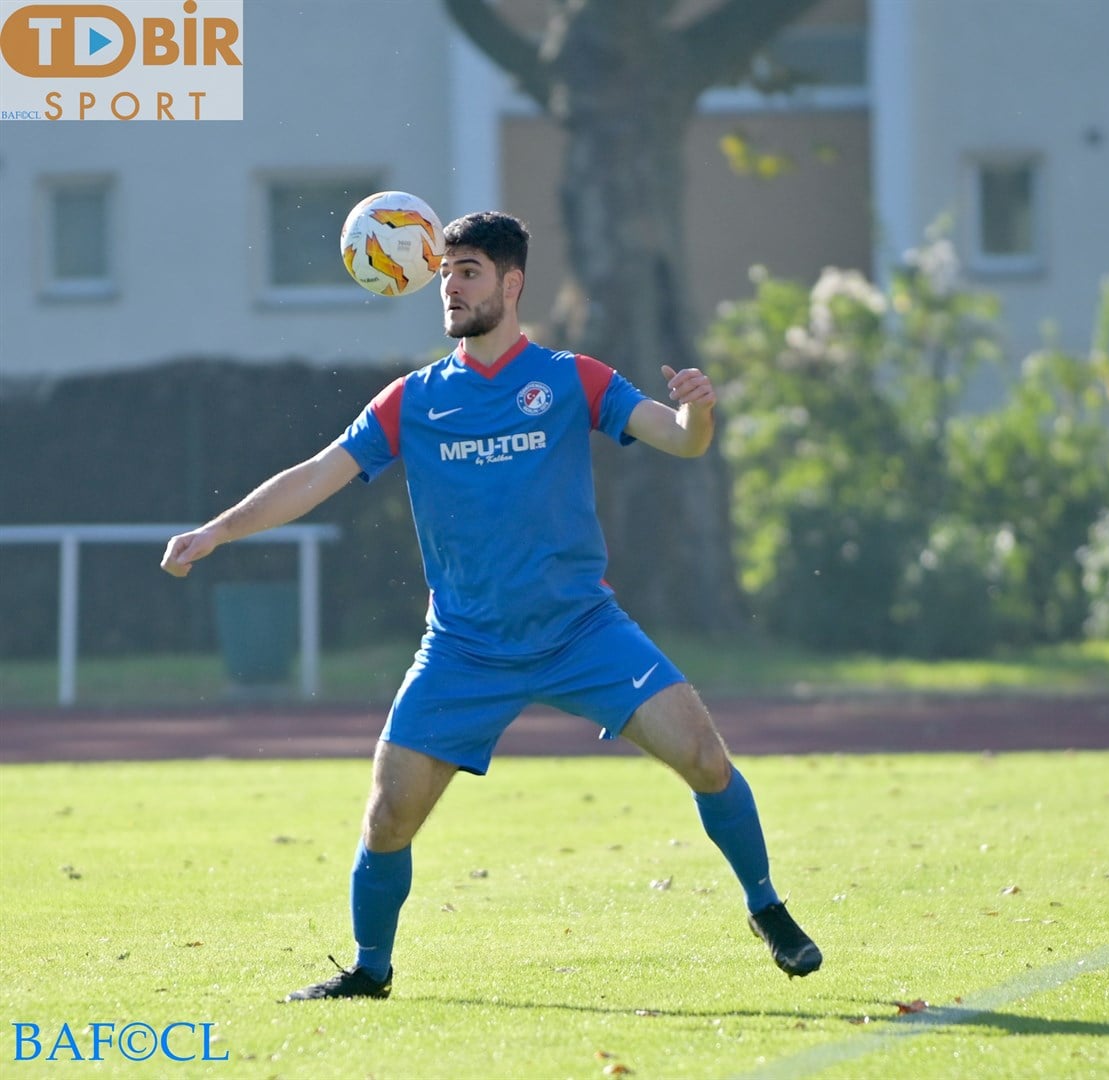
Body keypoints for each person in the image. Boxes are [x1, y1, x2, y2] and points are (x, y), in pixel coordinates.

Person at [161, 211, 821, 998]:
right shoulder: (413, 399)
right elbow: (313, 475)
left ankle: (765, 906)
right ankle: (370, 972)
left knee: (707, 761)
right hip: (464, 649)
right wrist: (219, 530)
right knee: (387, 821)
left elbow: (680, 441)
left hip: (581, 631)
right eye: (444, 271)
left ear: (511, 284)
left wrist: (698, 411)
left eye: (467, 270)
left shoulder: (573, 377)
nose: (449, 284)